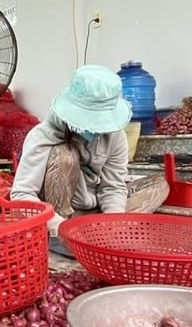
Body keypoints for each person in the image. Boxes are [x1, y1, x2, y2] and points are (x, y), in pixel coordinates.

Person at [10, 65, 170, 248]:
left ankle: (102, 236)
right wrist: (59, 226)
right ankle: (63, 240)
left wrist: (114, 223)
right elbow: (21, 194)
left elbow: (113, 186)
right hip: (58, 217)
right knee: (63, 156)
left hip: (94, 211)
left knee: (158, 186)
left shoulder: (114, 134)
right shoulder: (43, 135)